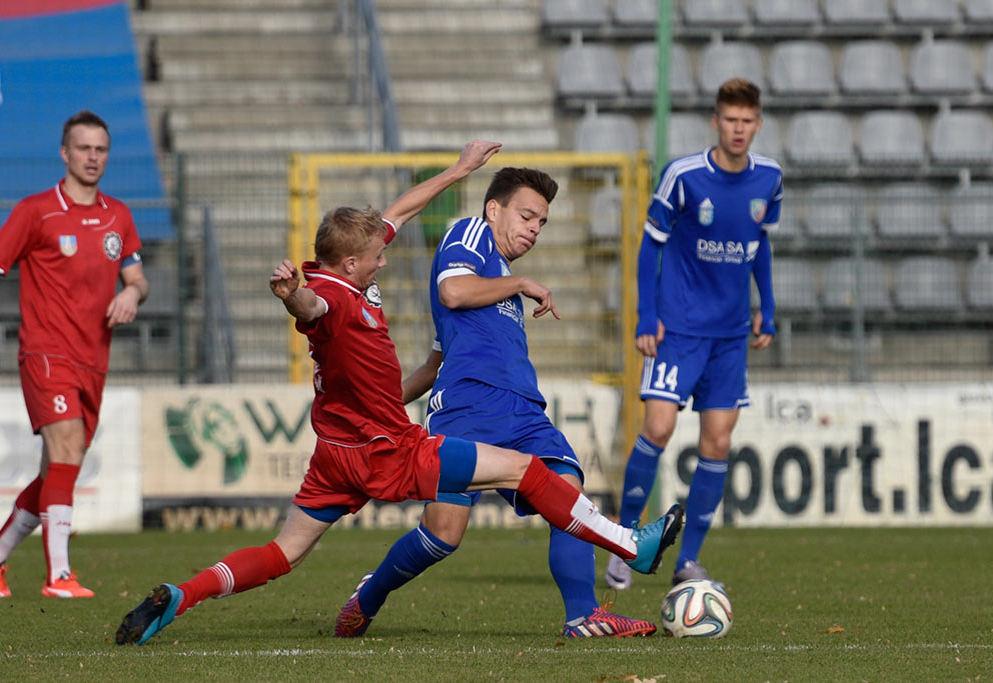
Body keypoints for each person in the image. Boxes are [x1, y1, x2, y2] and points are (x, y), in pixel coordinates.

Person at [116, 141, 683, 646]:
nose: (386, 257)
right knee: (525, 471)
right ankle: (632, 546)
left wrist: (459, 168)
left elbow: (400, 214)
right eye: (378, 255)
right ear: (352, 262)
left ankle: (181, 595)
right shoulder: (334, 299)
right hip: (389, 449)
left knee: (283, 552)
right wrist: (291, 296)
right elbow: (312, 309)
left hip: (335, 457)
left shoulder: (351, 274)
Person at [334, 167, 666, 640]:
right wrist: (521, 284)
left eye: (542, 222)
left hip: (523, 410)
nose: (534, 228)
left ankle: (583, 615)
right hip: (467, 408)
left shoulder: (499, 279)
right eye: (527, 215)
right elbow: (452, 289)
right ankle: (367, 599)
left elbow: (432, 365)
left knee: (567, 488)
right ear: (494, 209)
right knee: (443, 534)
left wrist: (377, 406)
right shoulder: (471, 235)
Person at [604, 78, 782, 591]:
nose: (738, 130)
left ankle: (689, 560)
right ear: (716, 121)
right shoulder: (683, 175)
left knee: (718, 442)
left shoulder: (769, 178)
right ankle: (625, 541)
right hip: (679, 329)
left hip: (729, 338)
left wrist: (765, 309)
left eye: (747, 121)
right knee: (657, 428)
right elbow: (649, 245)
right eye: (730, 120)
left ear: (758, 124)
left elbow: (760, 245)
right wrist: (647, 316)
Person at [0, 110, 149, 598]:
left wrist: (132, 294)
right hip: (46, 352)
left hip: (94, 360)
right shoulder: (35, 211)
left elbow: (137, 279)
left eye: (101, 149)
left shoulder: (119, 216)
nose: (93, 157)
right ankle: (59, 576)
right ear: (64, 153)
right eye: (84, 148)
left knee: (58, 468)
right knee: (67, 450)